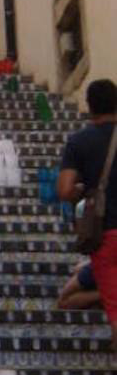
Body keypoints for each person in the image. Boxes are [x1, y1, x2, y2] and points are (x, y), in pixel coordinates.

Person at [57, 79, 117, 350]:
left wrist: (84, 189)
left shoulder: (79, 141)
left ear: (89, 106)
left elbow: (64, 189)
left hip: (106, 234)